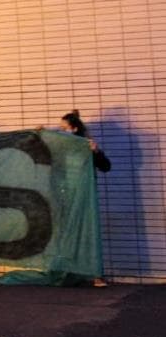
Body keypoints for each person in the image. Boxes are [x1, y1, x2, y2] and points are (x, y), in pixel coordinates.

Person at [59, 109, 111, 287]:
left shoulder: (86, 145)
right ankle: (69, 272)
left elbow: (105, 167)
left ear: (73, 129)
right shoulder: (62, 149)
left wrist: (96, 152)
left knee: (89, 232)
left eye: (63, 128)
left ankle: (96, 275)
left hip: (85, 197)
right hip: (67, 196)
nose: (61, 131)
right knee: (69, 234)